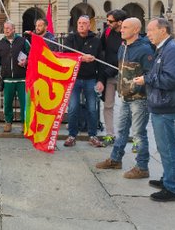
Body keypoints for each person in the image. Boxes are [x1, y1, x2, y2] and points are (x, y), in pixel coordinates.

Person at [133, 18, 175, 202]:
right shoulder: (163, 48)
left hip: (166, 104)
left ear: (163, 30)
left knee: (167, 147)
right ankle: (167, 178)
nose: (147, 34)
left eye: (150, 30)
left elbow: (172, 79)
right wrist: (147, 77)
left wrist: (146, 80)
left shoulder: (171, 49)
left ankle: (172, 188)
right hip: (161, 103)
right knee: (164, 145)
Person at [96, 18, 154, 178]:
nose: (121, 30)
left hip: (139, 99)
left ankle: (142, 167)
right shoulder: (123, 47)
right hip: (125, 98)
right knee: (121, 131)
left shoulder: (145, 50)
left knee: (138, 134)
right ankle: (115, 159)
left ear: (136, 30)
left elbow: (150, 75)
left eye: (126, 27)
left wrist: (137, 86)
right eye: (122, 27)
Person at [63, 15, 104, 147]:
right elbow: (66, 56)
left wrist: (100, 81)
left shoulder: (96, 40)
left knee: (92, 108)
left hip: (90, 78)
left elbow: (101, 62)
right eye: (79, 23)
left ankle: (92, 135)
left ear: (89, 25)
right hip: (74, 79)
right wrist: (81, 58)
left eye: (84, 23)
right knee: (73, 108)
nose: (81, 25)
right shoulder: (70, 38)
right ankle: (71, 135)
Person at [0, 21, 30, 133]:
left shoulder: (23, 41)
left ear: (14, 29)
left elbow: (32, 55)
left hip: (22, 79)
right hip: (7, 79)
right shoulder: (1, 43)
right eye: (4, 28)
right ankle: (8, 122)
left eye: (8, 28)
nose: (6, 30)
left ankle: (24, 123)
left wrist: (26, 61)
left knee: (24, 104)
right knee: (7, 103)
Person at [98, 9, 127, 146]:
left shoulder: (128, 33)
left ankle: (130, 135)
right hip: (109, 75)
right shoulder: (108, 32)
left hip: (125, 76)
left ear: (120, 22)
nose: (107, 23)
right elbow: (101, 49)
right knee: (108, 105)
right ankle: (110, 134)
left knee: (129, 106)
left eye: (110, 21)